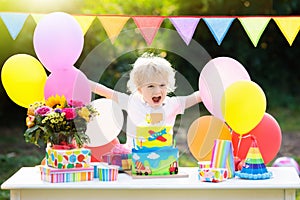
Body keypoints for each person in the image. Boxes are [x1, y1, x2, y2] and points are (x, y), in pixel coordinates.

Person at [89, 53, 201, 149]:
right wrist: (83, 82)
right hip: (135, 160)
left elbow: (195, 97)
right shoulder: (133, 102)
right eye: (151, 86)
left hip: (162, 161)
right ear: (139, 89)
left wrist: (210, 90)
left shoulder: (171, 104)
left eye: (162, 85)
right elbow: (106, 92)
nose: (157, 90)